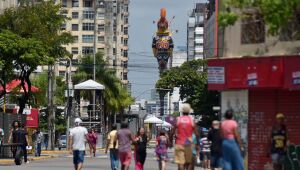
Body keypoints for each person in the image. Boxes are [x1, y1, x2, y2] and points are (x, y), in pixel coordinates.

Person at [172, 103, 200, 170]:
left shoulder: (178, 119)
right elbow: (197, 134)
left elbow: (172, 132)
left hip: (179, 143)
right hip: (188, 143)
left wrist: (170, 140)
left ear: (182, 111)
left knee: (180, 163)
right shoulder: (191, 120)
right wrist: (197, 144)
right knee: (189, 162)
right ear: (189, 111)